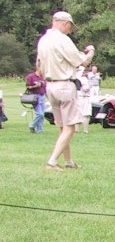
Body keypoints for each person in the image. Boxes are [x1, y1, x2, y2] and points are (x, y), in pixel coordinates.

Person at [35, 10, 95, 171]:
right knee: (71, 127)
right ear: (65, 23)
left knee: (63, 127)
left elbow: (38, 68)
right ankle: (52, 162)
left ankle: (68, 161)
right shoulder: (63, 40)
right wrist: (91, 51)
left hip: (50, 86)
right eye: (70, 26)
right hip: (64, 85)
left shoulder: (43, 40)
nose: (70, 30)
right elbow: (82, 62)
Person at [25, 70, 46, 134]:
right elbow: (28, 87)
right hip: (35, 97)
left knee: (42, 115)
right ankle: (32, 125)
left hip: (42, 96)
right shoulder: (31, 76)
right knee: (40, 114)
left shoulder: (43, 77)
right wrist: (35, 86)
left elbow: (45, 87)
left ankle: (40, 130)